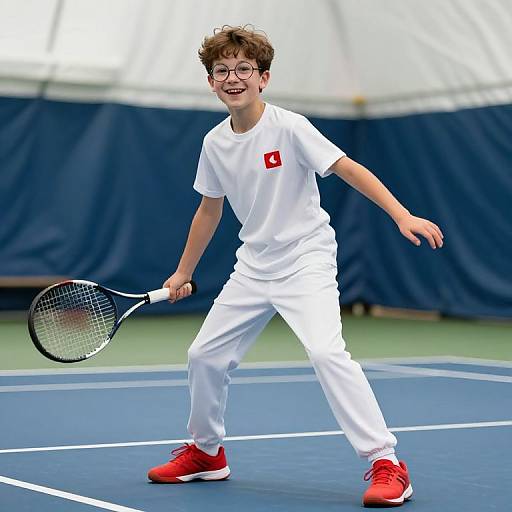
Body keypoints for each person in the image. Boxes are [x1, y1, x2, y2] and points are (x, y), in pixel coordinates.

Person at [147, 25, 443, 507]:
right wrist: (183, 272)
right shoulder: (214, 143)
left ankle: (386, 462)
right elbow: (209, 209)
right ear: (211, 82)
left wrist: (401, 214)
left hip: (306, 259)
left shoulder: (290, 126)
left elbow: (348, 168)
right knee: (204, 356)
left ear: (263, 78)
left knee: (328, 355)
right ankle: (206, 453)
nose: (233, 77)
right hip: (253, 266)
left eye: (244, 68)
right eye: (222, 70)